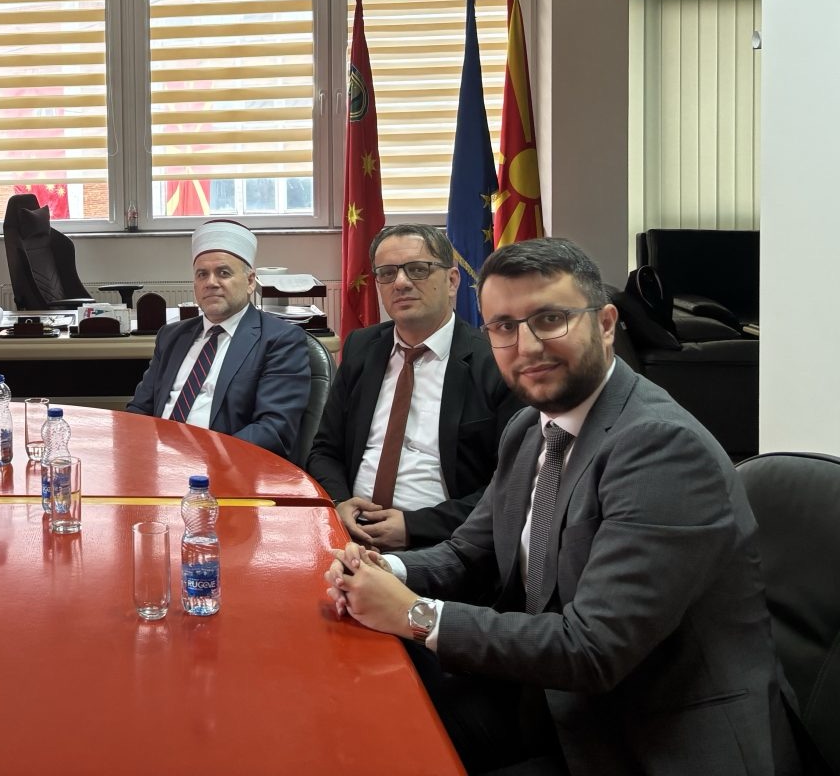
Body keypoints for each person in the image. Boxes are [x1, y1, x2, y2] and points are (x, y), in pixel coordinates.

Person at [325, 238, 797, 776]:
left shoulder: (661, 448)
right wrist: (385, 570)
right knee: (361, 729)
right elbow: (468, 552)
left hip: (645, 736)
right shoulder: (531, 427)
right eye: (503, 326)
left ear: (605, 324)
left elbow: (593, 649)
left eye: (550, 319)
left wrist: (414, 613)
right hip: (547, 698)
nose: (526, 346)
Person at [307, 224, 518, 550]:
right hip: (350, 534)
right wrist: (339, 503)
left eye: (418, 269)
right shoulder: (362, 347)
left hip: (445, 544)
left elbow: (510, 484)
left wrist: (415, 526)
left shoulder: (495, 362)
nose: (401, 283)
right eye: (387, 273)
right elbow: (325, 449)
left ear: (452, 281)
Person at [124, 219, 310, 459]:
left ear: (250, 282)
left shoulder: (280, 340)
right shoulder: (171, 337)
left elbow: (273, 429)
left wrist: (206, 458)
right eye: (202, 274)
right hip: (159, 462)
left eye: (223, 273)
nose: (210, 283)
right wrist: (136, 453)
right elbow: (140, 408)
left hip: (227, 468)